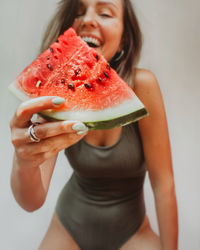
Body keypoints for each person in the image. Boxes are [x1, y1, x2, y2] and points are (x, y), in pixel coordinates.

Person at [10, 0, 178, 249]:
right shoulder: (57, 97)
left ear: (123, 40)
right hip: (68, 225)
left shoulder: (143, 86)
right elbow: (32, 201)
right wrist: (23, 160)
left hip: (132, 232)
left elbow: (163, 184)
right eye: (78, 12)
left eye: (105, 12)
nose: (87, 19)